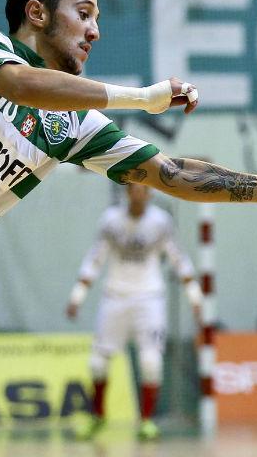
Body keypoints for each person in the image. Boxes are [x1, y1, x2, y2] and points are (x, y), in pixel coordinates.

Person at [0, 0, 257, 235]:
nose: (95, 32)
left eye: (96, 20)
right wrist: (144, 98)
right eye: (83, 14)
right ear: (37, 13)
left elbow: (170, 172)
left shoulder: (76, 124)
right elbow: (20, 85)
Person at [65, 184, 202, 441]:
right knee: (97, 363)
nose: (138, 194)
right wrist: (77, 296)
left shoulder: (161, 222)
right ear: (127, 193)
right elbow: (95, 258)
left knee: (151, 361)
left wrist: (194, 297)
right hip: (114, 297)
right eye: (134, 190)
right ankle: (98, 416)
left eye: (143, 190)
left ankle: (147, 421)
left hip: (149, 299)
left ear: (149, 194)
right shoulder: (111, 220)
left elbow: (179, 259)